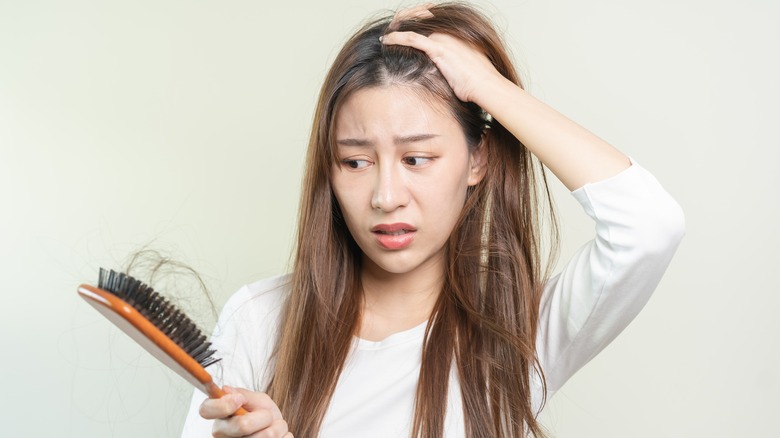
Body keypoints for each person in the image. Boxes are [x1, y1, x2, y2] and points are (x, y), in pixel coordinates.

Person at [181, 2, 685, 437]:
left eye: (416, 158)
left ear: (477, 160)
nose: (385, 196)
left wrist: (490, 88)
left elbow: (649, 225)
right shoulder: (261, 320)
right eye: (355, 162)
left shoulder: (517, 334)